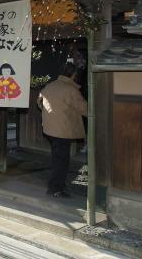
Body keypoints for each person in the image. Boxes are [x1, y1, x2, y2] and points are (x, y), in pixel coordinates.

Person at [37, 63, 87, 198]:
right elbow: (85, 109)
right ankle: (55, 189)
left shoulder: (50, 85)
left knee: (57, 159)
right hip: (62, 130)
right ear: (73, 75)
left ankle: (57, 185)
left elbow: (39, 102)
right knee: (61, 161)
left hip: (49, 128)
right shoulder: (71, 90)